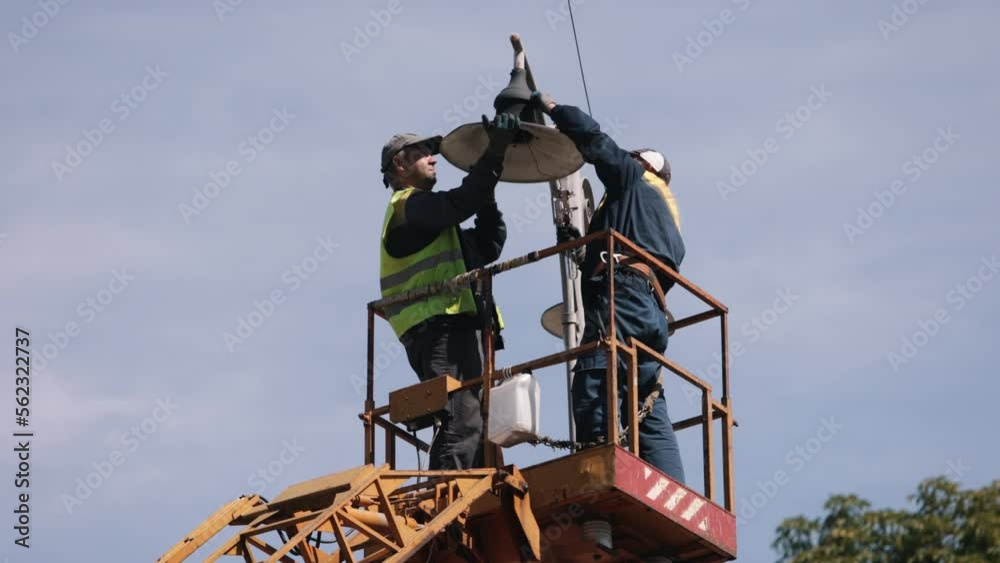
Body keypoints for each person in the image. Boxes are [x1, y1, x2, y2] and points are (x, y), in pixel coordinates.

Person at [532, 91, 686, 483]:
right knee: (646, 400)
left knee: (596, 375)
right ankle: (672, 489)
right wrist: (586, 246)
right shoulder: (665, 216)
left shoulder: (634, 180)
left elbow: (597, 142)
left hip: (622, 299)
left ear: (641, 164)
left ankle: (598, 474)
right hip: (652, 312)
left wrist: (554, 110)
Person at [378, 113, 520, 470]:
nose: (433, 157)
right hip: (439, 329)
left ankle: (467, 504)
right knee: (463, 419)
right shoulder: (407, 207)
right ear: (400, 163)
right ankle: (445, 501)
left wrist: (484, 189)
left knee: (478, 425)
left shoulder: (435, 226)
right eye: (423, 152)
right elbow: (457, 204)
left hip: (461, 330)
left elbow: (488, 243)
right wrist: (494, 154)